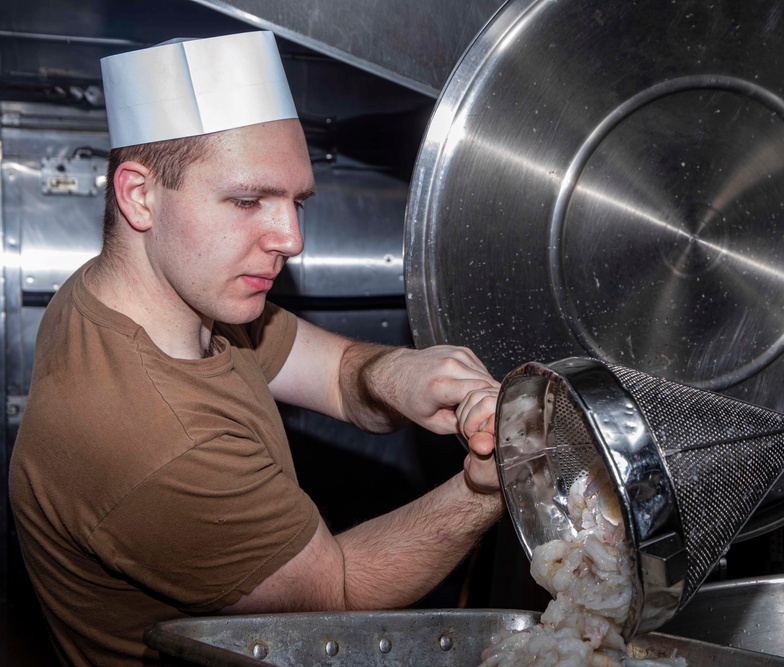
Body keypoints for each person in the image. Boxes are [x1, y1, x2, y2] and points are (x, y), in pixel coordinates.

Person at [8, 31, 503, 666]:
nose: (291, 239)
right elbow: (335, 605)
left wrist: (400, 372)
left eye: (296, 201)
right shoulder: (155, 440)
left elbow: (333, 374)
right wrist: (490, 488)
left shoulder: (152, 297)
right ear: (138, 196)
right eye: (248, 200)